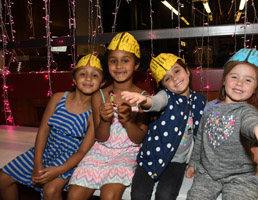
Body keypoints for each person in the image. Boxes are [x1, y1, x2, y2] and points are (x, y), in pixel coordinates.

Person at [186, 48, 258, 200]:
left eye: (248, 80)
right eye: (234, 77)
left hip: (241, 177)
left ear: (255, 89)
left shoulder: (247, 111)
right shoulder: (209, 107)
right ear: (224, 81)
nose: (239, 83)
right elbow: (200, 138)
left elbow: (250, 123)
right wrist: (193, 163)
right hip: (208, 173)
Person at [0, 53, 104, 200]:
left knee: (51, 189)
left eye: (95, 75)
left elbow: (82, 151)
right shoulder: (58, 98)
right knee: (2, 179)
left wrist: (58, 170)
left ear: (102, 83)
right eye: (82, 74)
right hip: (46, 150)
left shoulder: (95, 112)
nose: (88, 78)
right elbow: (43, 131)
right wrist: (37, 163)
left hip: (69, 160)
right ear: (74, 79)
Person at [67, 32, 149, 200]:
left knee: (109, 195)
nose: (119, 66)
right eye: (113, 61)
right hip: (100, 152)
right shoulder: (100, 96)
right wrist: (105, 120)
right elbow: (101, 137)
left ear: (136, 65)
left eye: (125, 60)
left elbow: (139, 138)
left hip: (128, 154)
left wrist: (128, 122)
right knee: (74, 195)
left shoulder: (143, 97)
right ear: (107, 65)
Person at [121, 53, 206, 200]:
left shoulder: (199, 101)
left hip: (177, 161)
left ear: (187, 71)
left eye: (177, 71)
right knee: (139, 194)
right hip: (152, 155)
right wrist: (145, 100)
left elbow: (200, 136)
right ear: (163, 85)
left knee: (165, 195)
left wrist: (193, 162)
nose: (174, 78)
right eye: (167, 78)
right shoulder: (166, 96)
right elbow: (156, 101)